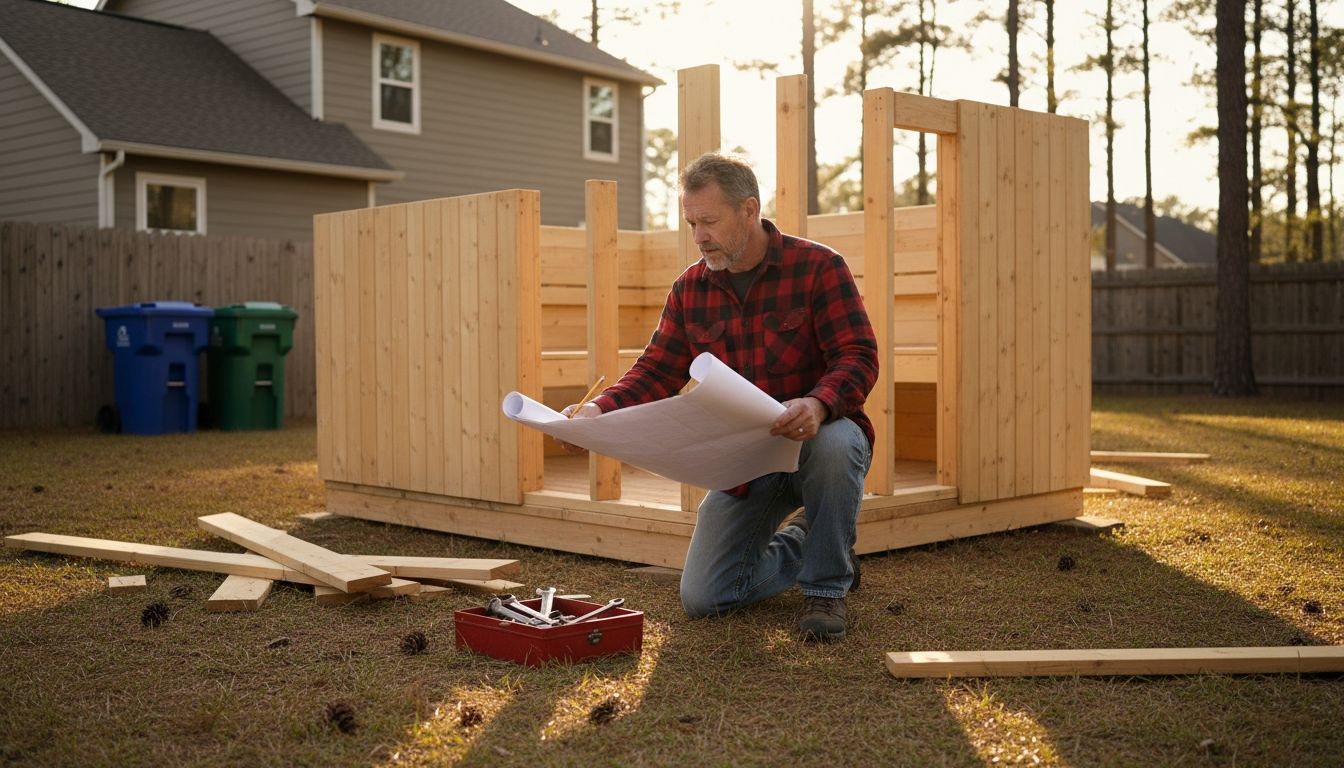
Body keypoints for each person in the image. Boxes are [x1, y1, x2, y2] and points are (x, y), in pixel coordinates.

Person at [562, 152, 878, 642]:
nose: (699, 236)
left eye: (709, 221)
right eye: (691, 223)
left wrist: (817, 404)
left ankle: (826, 587)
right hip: (747, 461)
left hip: (819, 441)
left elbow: (857, 354)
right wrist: (595, 413)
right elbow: (657, 371)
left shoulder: (819, 267)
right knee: (705, 597)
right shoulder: (689, 289)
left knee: (836, 445)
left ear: (748, 211)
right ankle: (812, 542)